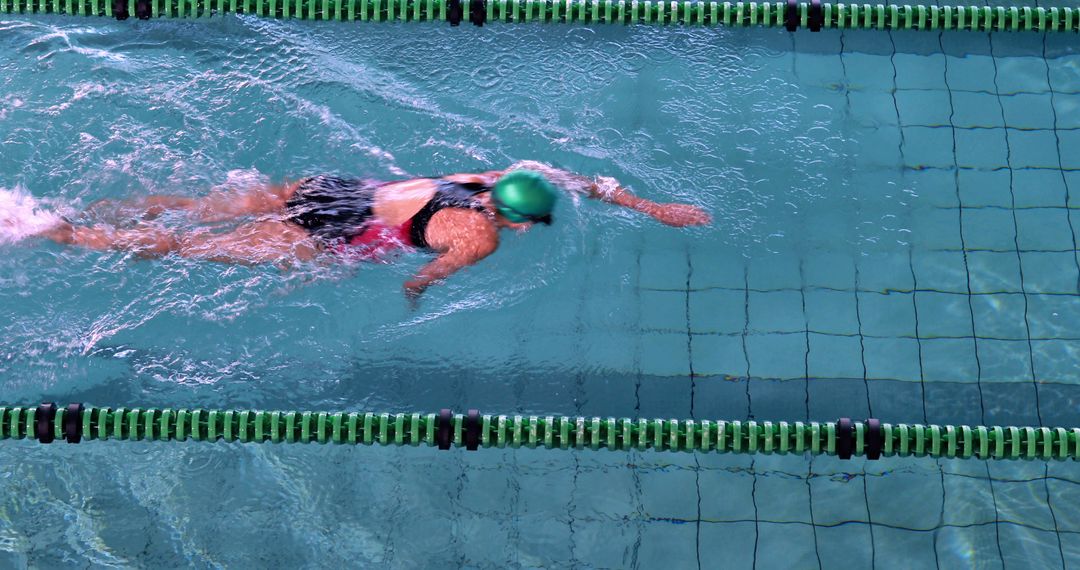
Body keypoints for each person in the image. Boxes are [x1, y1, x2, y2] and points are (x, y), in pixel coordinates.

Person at [37, 161, 711, 300]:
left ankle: (86, 203)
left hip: (330, 189)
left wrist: (652, 206)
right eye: (531, 223)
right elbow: (428, 272)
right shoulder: (483, 238)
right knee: (191, 251)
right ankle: (59, 234)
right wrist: (417, 285)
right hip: (333, 234)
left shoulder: (495, 176)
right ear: (513, 218)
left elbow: (565, 176)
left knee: (192, 205)